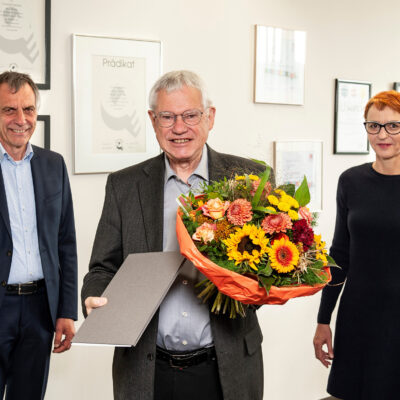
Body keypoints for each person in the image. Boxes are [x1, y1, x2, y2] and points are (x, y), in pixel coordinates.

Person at [82, 70, 271, 400]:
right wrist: (93, 298)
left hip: (227, 366)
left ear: (209, 117)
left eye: (190, 115)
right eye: (167, 117)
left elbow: (270, 264)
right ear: (153, 121)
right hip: (148, 369)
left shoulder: (248, 179)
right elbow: (101, 268)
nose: (179, 128)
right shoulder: (124, 186)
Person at [313, 90, 400, 399]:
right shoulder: (351, 181)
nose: (382, 134)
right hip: (358, 315)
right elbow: (340, 255)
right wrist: (323, 319)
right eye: (373, 126)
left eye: (393, 126)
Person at [0, 71, 77, 400]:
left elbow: (66, 243)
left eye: (28, 109)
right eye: (9, 110)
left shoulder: (53, 164)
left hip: (39, 309)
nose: (21, 119)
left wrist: (66, 310)